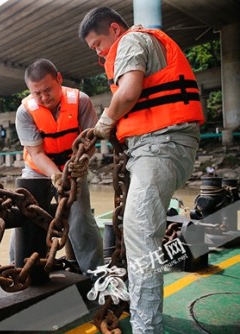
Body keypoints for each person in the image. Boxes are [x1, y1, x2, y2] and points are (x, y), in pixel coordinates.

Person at [79, 7, 204, 333]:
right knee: (140, 237)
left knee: (139, 237)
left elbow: (130, 90)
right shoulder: (135, 41)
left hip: (163, 147)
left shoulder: (132, 41)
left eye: (99, 43)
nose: (99, 51)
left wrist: (106, 121)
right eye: (93, 48)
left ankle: (148, 327)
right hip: (155, 149)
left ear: (116, 29)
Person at [11, 58, 104, 276]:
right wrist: (55, 175)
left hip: (74, 167)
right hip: (37, 169)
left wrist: (81, 163)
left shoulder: (82, 101)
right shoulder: (24, 112)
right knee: (26, 215)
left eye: (47, 90)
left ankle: (94, 274)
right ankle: (19, 269)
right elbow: (36, 153)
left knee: (80, 218)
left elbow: (89, 143)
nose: (44, 98)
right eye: (37, 93)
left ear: (59, 79)